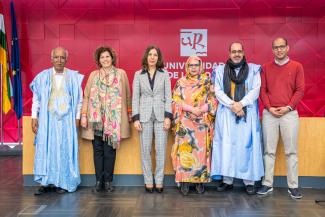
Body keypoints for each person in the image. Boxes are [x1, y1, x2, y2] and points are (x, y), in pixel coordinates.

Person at [210, 42, 264, 195]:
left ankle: (249, 181)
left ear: (243, 52)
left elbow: (256, 90)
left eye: (239, 51)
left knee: (247, 146)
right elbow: (218, 91)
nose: (236, 54)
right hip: (227, 113)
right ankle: (227, 181)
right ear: (229, 53)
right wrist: (232, 105)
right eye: (234, 51)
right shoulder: (220, 70)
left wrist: (240, 104)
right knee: (227, 145)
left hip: (247, 112)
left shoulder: (253, 69)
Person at [30, 47, 83, 195]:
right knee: (46, 149)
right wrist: (34, 116)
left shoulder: (73, 77)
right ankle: (46, 182)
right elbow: (36, 99)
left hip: (67, 122)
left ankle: (63, 182)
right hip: (48, 121)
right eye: (56, 57)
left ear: (66, 59)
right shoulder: (42, 77)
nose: (59, 60)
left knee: (64, 150)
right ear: (51, 59)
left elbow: (79, 100)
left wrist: (77, 117)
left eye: (62, 58)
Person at [257, 37, 305, 199]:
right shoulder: (265, 68)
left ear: (287, 48)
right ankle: (267, 184)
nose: (279, 50)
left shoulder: (297, 66)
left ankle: (293, 186)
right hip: (270, 114)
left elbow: (300, 90)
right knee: (268, 151)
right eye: (276, 47)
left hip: (289, 114)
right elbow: (262, 90)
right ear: (272, 50)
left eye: (282, 47)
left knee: (291, 152)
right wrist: (270, 108)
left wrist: (288, 107)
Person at [80, 46, 131, 193]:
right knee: (97, 151)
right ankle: (98, 181)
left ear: (112, 58)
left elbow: (127, 94)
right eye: (102, 57)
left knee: (110, 152)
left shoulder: (121, 74)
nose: (105, 59)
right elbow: (87, 97)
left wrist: (129, 113)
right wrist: (84, 115)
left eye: (107, 56)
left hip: (113, 121)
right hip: (96, 121)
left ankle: (108, 181)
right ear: (98, 60)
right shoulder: (93, 75)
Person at [171, 55, 217, 196]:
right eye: (191, 65)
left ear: (200, 66)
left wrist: (202, 109)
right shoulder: (181, 82)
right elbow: (175, 102)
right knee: (185, 152)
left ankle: (200, 182)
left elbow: (213, 100)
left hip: (202, 122)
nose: (193, 68)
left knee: (200, 152)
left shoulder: (207, 81)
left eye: (196, 65)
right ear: (187, 67)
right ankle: (184, 182)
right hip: (185, 122)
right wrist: (191, 109)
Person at [132, 45, 172, 193]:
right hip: (144, 116)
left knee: (160, 150)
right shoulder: (138, 74)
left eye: (155, 55)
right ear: (146, 56)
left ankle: (159, 181)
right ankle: (148, 181)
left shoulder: (165, 74)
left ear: (158, 57)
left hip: (162, 117)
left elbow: (169, 97)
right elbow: (135, 98)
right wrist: (136, 118)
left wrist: (168, 117)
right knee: (145, 150)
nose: (152, 57)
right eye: (150, 54)